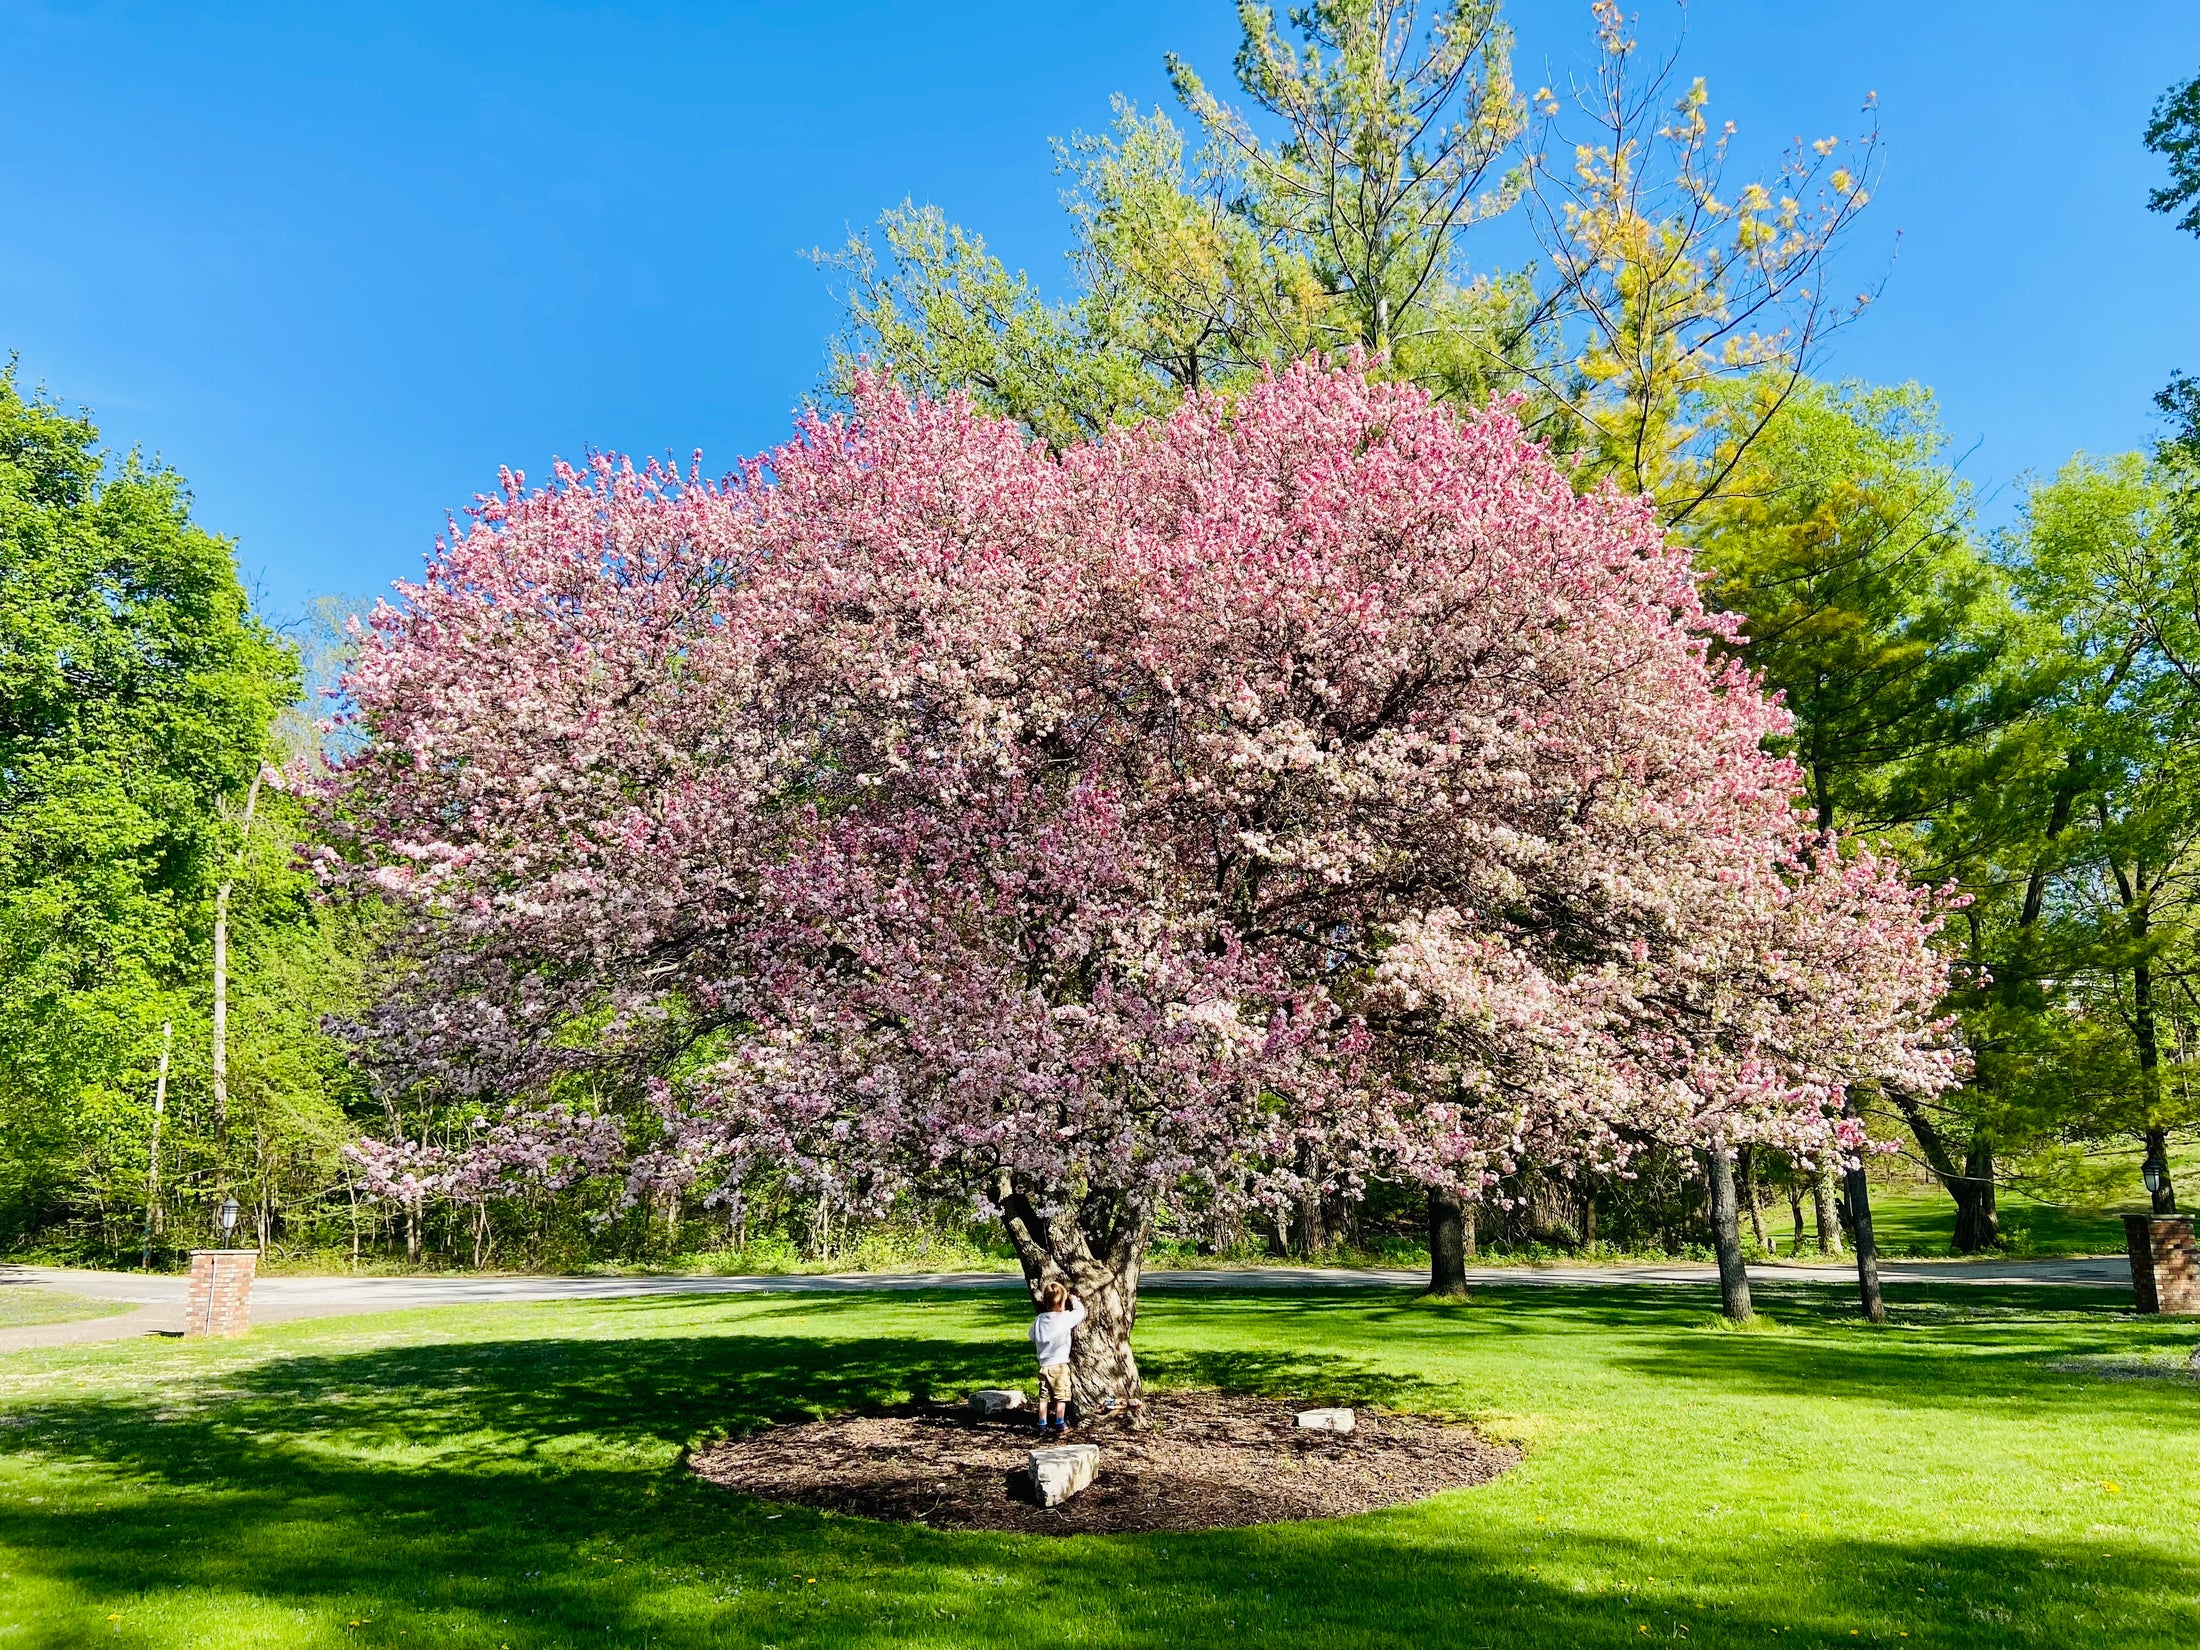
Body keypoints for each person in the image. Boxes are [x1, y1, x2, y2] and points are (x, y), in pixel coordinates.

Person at [1028, 1281, 1086, 1434]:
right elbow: (1080, 1313)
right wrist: (1075, 1301)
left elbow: (1031, 1336)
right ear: (1063, 1302)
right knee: (1061, 1396)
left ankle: (1042, 1423)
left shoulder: (1039, 1319)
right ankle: (1060, 1423)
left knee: (1044, 1396)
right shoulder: (1065, 1318)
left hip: (1043, 1365)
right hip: (1059, 1365)